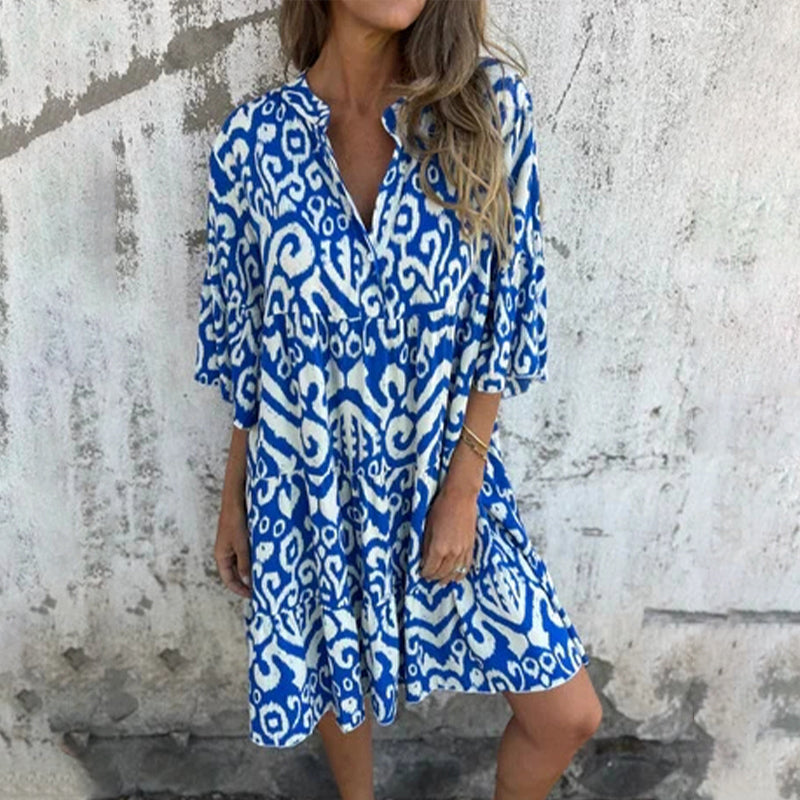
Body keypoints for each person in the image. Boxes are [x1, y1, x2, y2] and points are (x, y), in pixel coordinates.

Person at [192, 0, 602, 797]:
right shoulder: (255, 143)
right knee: (333, 667)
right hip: (308, 475)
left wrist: (464, 487)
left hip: (439, 466)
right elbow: (251, 347)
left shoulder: (484, 111)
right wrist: (234, 497)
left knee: (567, 714)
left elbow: (509, 314)